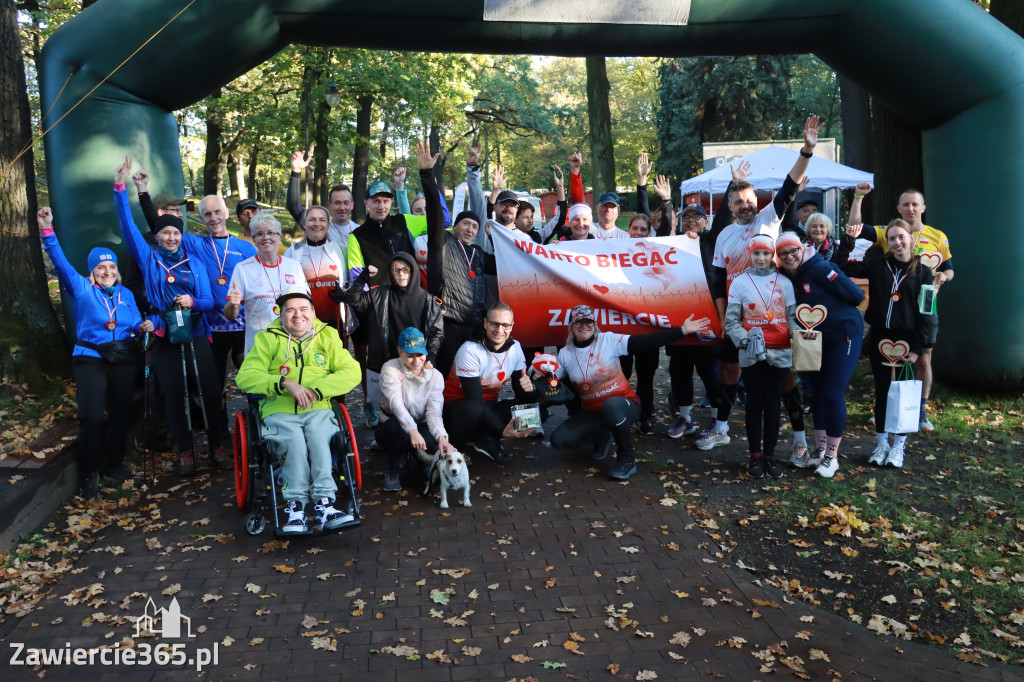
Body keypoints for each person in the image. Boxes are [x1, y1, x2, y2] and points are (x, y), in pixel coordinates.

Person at [707, 115, 822, 451]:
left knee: (784, 379)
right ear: (729, 207)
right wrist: (722, 318)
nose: (746, 205)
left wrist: (807, 150)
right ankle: (721, 428)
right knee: (730, 373)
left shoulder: (769, 217)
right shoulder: (724, 234)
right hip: (737, 315)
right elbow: (717, 280)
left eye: (749, 200)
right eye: (739, 201)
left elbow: (789, 187)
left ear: (757, 202)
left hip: (772, 314)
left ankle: (800, 440)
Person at [113, 157, 229, 475]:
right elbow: (127, 224)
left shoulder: (195, 263)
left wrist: (193, 301)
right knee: (175, 395)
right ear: (158, 236)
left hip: (195, 332)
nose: (171, 238)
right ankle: (185, 452)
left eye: (175, 234)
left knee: (209, 391)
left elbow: (209, 302)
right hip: (164, 335)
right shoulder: (149, 260)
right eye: (165, 233)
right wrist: (122, 187)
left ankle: (217, 446)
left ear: (181, 236)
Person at [38, 207, 152, 498]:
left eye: (112, 267)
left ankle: (114, 465)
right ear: (92, 271)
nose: (108, 272)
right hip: (91, 359)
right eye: (101, 268)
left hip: (123, 358)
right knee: (91, 417)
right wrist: (47, 230)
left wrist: (147, 326)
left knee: (121, 413)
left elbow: (136, 323)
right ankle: (89, 474)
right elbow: (60, 263)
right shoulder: (81, 289)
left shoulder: (126, 295)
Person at [235, 288, 361, 532]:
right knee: (294, 440)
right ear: (280, 315)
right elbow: (245, 376)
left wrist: (317, 389)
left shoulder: (328, 336)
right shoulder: (267, 339)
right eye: (290, 310)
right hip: (279, 408)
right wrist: (283, 383)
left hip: (318, 406)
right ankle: (296, 507)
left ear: (313, 312)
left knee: (317, 436)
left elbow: (352, 371)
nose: (297, 315)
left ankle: (324, 504)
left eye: (304, 309)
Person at [132, 171, 258, 397]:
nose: (214, 218)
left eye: (218, 211)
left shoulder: (246, 248)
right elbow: (157, 224)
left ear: (227, 213)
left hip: (242, 323)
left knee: (254, 380)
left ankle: (258, 424)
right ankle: (219, 429)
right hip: (212, 326)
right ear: (201, 219)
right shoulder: (194, 243)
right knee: (214, 385)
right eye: (207, 214)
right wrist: (143, 192)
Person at [551, 305, 711, 481]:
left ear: (594, 324)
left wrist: (682, 330)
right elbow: (551, 376)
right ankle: (604, 434)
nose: (584, 326)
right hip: (593, 411)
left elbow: (644, 341)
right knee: (558, 440)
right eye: (578, 322)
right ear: (571, 326)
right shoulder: (565, 354)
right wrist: (535, 372)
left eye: (588, 321)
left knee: (610, 405)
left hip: (624, 404)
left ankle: (627, 459)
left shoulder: (608, 340)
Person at [849, 183, 952, 431]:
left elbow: (949, 268)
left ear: (923, 208)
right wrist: (858, 198)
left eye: (915, 204)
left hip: (924, 309)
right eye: (905, 204)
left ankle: (919, 409)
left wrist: (945, 277)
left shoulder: (937, 236)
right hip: (892, 312)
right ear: (898, 208)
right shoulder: (889, 231)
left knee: (922, 359)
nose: (910, 208)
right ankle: (884, 407)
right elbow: (855, 229)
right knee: (888, 363)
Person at [837, 220, 935, 468]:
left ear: (910, 238)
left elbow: (927, 311)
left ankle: (899, 447)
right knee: (882, 391)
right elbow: (841, 266)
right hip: (881, 338)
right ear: (887, 243)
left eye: (901, 237)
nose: (897, 242)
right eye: (892, 239)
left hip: (907, 342)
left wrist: (917, 348)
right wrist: (847, 241)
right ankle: (881, 444)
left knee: (903, 394)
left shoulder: (925, 272)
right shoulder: (877, 265)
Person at [776, 232, 864, 478]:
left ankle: (832, 456)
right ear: (779, 258)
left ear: (802, 250)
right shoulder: (784, 277)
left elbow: (857, 296)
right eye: (784, 253)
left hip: (843, 335)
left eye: (794, 250)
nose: (790, 256)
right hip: (811, 342)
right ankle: (820, 449)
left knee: (832, 393)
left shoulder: (820, 268)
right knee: (814, 394)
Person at [346, 177, 430, 427]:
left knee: (410, 355)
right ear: (366, 203)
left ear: (391, 203)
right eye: (375, 202)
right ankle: (374, 404)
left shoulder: (405, 222)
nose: (380, 206)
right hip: (377, 307)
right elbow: (356, 277)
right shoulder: (357, 236)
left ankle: (414, 407)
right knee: (377, 361)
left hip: (409, 302)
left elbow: (442, 222)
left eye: (385, 201)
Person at [723, 236, 800, 479]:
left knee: (774, 405)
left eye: (766, 254)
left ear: (772, 256)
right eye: (757, 254)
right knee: (754, 405)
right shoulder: (739, 283)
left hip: (779, 352)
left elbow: (791, 318)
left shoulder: (785, 283)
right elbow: (732, 321)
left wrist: (802, 337)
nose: (761, 258)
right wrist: (744, 340)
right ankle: (754, 456)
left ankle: (770, 457)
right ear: (750, 255)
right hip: (751, 353)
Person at [334, 252, 443, 421]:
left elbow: (437, 331)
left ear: (413, 270)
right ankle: (388, 433)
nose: (400, 274)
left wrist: (432, 355)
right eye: (396, 270)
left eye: (405, 270)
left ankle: (412, 433)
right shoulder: (380, 294)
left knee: (413, 402)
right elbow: (353, 300)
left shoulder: (427, 300)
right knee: (390, 404)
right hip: (388, 358)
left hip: (415, 360)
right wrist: (363, 277)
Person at [416, 142, 493, 377]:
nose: (470, 229)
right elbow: (435, 214)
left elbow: (510, 265)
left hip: (475, 327)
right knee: (441, 377)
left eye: (475, 226)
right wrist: (428, 175)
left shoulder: (479, 254)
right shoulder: (443, 243)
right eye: (466, 224)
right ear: (456, 226)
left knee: (470, 378)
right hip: (447, 324)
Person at [442, 302, 536, 465]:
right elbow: (476, 401)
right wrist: (502, 430)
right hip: (456, 411)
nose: (500, 330)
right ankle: (456, 451)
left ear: (512, 326)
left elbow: (520, 394)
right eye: (495, 324)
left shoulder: (516, 348)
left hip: (487, 408)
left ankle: (486, 440)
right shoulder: (470, 349)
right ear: (485, 323)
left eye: (505, 325)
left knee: (534, 413)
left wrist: (530, 388)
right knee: (475, 408)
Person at [377, 327, 454, 492]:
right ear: (399, 351)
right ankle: (392, 468)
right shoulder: (390, 368)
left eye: (419, 354)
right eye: (409, 355)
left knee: (435, 440)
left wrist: (442, 436)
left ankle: (419, 462)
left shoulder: (435, 376)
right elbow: (395, 404)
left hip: (421, 423)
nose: (416, 360)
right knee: (397, 430)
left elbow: (434, 412)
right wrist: (412, 430)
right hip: (393, 423)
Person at [225, 212, 309, 354]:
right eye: (259, 234)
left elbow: (307, 305)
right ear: (254, 239)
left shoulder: (293, 266)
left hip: (293, 345)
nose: (266, 237)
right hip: (259, 347)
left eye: (271, 233)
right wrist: (233, 304)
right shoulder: (243, 269)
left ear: (279, 236)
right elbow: (230, 315)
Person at [284, 205, 347, 330]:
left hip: (335, 320)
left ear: (328, 225)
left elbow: (349, 282)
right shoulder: (292, 252)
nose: (317, 224)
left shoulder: (340, 249)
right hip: (303, 322)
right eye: (312, 219)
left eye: (322, 220)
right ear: (304, 224)